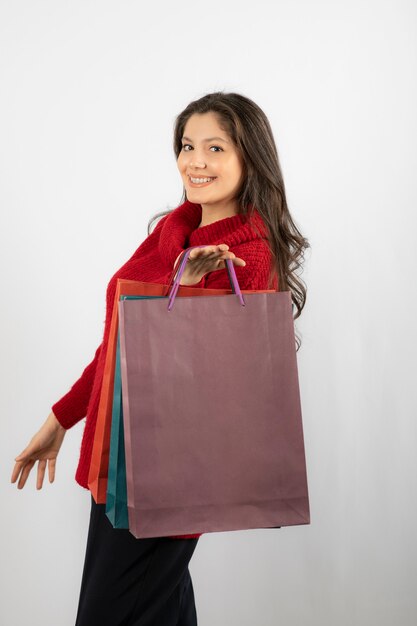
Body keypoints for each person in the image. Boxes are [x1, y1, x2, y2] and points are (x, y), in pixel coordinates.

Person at [11, 91, 309, 625]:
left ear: (250, 157)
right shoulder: (174, 229)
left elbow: (218, 392)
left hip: (167, 479)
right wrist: (61, 418)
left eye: (215, 148)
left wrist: (185, 296)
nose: (196, 161)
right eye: (187, 145)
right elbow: (121, 343)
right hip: (119, 460)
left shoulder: (249, 252)